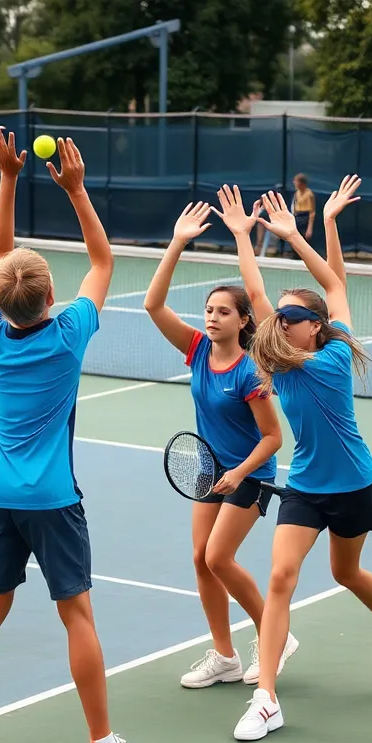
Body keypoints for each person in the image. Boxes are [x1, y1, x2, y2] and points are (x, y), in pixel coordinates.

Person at [0, 127, 155, 743]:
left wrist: (7, 178)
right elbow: (104, 261)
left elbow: (1, 253)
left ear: (0, 298)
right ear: (49, 298)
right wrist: (77, 190)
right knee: (76, 613)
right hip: (53, 500)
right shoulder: (68, 336)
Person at [212, 177, 372, 743]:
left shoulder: (324, 362)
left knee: (344, 572)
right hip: (304, 484)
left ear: (316, 327)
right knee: (281, 578)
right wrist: (255, 238)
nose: (278, 322)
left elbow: (329, 283)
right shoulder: (283, 350)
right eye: (277, 317)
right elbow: (319, 286)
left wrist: (299, 235)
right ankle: (266, 698)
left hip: (352, 484)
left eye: (291, 317)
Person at [142, 201, 297, 689]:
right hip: (211, 469)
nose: (211, 318)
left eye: (222, 312)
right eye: (208, 310)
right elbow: (153, 304)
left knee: (217, 558)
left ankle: (276, 633)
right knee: (199, 559)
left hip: (249, 475)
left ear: (243, 321)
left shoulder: (251, 371)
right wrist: (177, 242)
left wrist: (239, 473)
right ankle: (224, 656)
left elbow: (274, 437)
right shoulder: (197, 350)